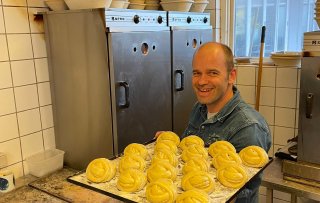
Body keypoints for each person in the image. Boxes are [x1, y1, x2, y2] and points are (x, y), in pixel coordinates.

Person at [182, 42, 271, 202]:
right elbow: (189, 154)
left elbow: (238, 193)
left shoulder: (248, 127)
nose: (201, 81)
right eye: (197, 73)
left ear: (231, 76)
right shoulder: (199, 108)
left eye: (212, 73)